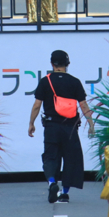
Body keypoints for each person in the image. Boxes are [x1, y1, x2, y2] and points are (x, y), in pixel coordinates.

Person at [28, 49, 95, 203]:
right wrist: (91, 124)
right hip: (70, 127)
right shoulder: (75, 82)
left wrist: (31, 123)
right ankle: (64, 193)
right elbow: (84, 106)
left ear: (52, 64)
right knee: (71, 159)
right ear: (67, 64)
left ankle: (52, 182)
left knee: (50, 156)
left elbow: (37, 105)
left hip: (51, 126)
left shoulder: (45, 81)